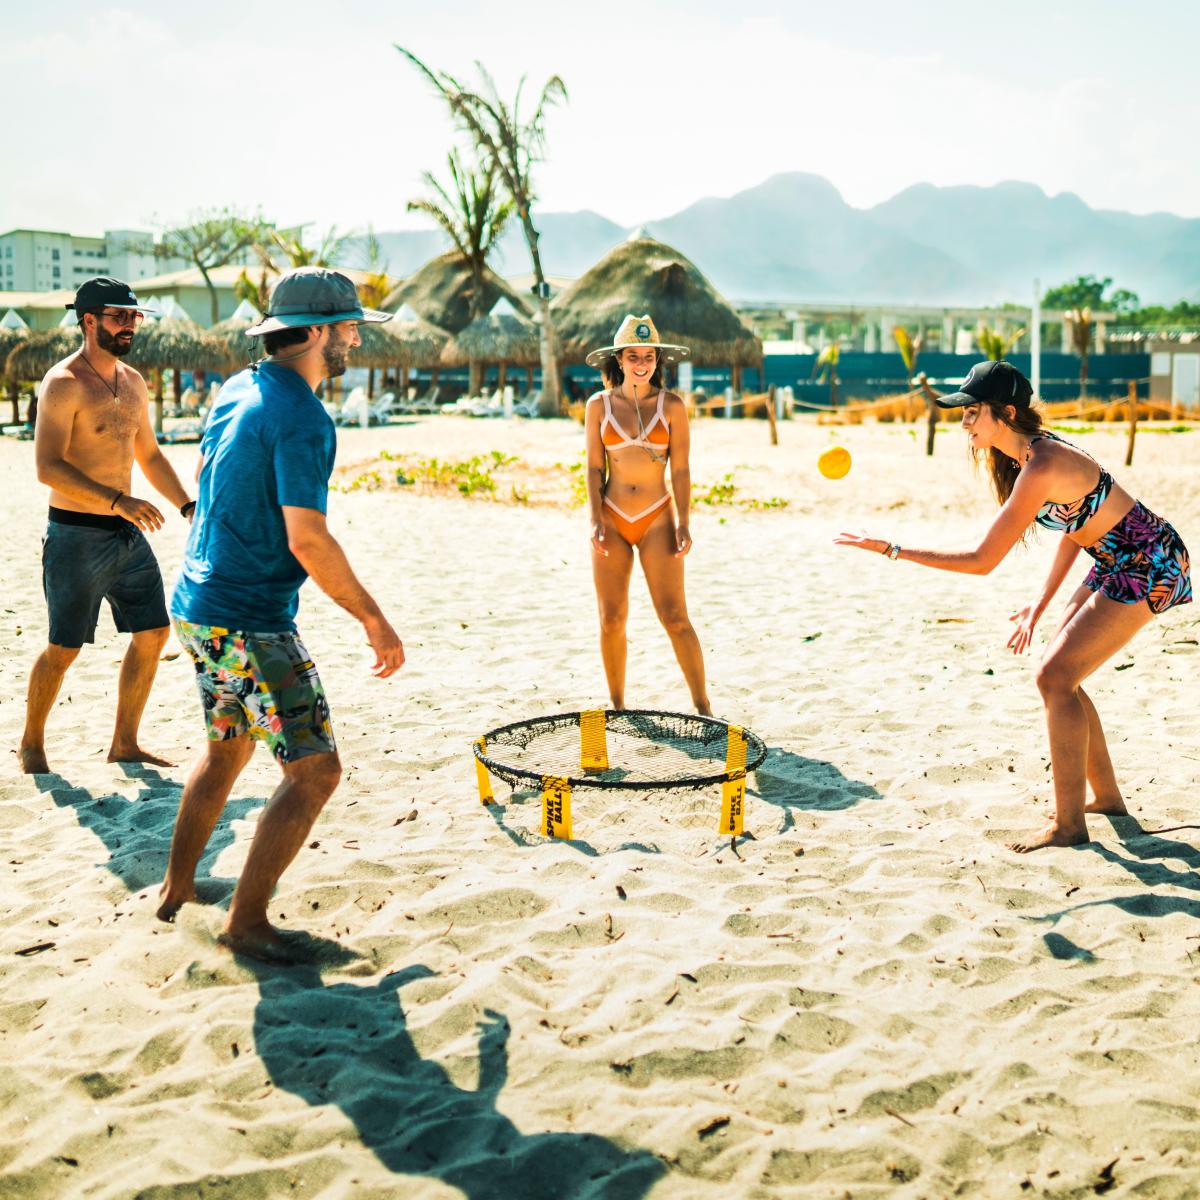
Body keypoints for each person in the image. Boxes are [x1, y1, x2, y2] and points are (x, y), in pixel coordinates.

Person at [836, 360, 1191, 853]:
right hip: (1118, 556)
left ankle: (1069, 827)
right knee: (1061, 674)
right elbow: (1076, 529)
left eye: (971, 412)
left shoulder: (1043, 462)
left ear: (1005, 411)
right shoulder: (1030, 459)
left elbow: (982, 560)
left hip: (1149, 562)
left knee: (1054, 677)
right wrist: (1040, 605)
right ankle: (1106, 799)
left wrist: (893, 549)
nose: (963, 423)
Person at [158, 267, 406, 962]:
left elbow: (212, 484)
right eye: (351, 325)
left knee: (227, 748)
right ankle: (246, 923)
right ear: (319, 333)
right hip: (249, 617)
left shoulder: (239, 387)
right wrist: (373, 620)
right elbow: (307, 537)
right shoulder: (301, 415)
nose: (356, 336)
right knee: (315, 772)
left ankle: (177, 890)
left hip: (198, 603)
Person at [20, 277, 195, 774]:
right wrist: (117, 499)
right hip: (75, 535)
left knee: (154, 632)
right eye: (119, 316)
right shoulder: (62, 383)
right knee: (63, 646)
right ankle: (31, 743)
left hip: (125, 532)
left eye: (135, 317)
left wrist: (186, 505)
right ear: (89, 320)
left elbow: (151, 455)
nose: (129, 326)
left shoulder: (133, 381)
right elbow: (47, 467)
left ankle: (124, 742)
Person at [584, 315, 711, 715]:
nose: (642, 363)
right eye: (634, 356)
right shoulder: (597, 406)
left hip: (658, 517)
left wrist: (685, 521)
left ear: (658, 360)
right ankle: (618, 706)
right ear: (619, 360)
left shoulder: (672, 406)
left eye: (649, 356)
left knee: (675, 617)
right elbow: (592, 468)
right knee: (611, 619)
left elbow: (682, 469)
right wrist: (595, 518)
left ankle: (704, 706)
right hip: (612, 517)